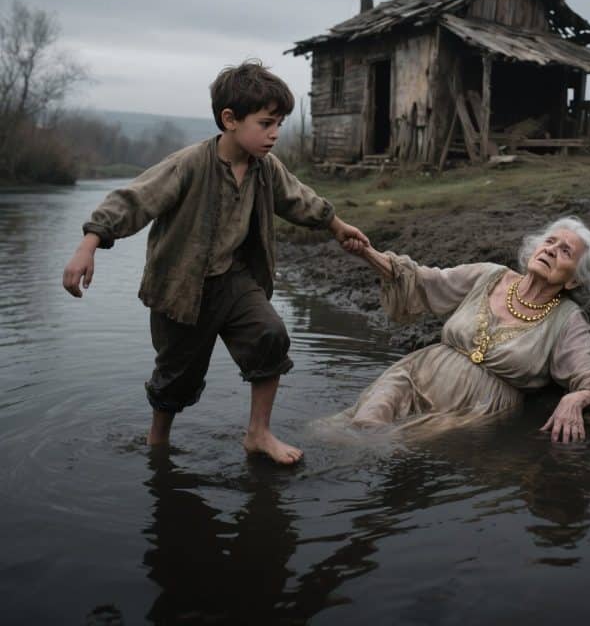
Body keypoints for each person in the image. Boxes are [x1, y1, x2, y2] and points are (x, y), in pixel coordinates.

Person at [62, 60, 369, 464]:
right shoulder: (189, 164)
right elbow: (134, 199)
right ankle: (158, 446)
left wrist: (337, 225)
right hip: (183, 288)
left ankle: (258, 433)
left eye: (279, 123)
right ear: (230, 119)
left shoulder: (266, 168)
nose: (275, 134)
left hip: (236, 282)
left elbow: (298, 198)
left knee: (270, 335)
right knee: (175, 379)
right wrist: (88, 244)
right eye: (266, 123)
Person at [336, 217, 590, 440]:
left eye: (565, 251)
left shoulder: (568, 320)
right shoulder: (490, 275)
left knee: (387, 444)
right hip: (415, 374)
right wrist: (367, 253)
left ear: (574, 280)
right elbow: (425, 280)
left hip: (473, 411)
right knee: (358, 427)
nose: (552, 250)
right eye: (549, 242)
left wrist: (576, 397)